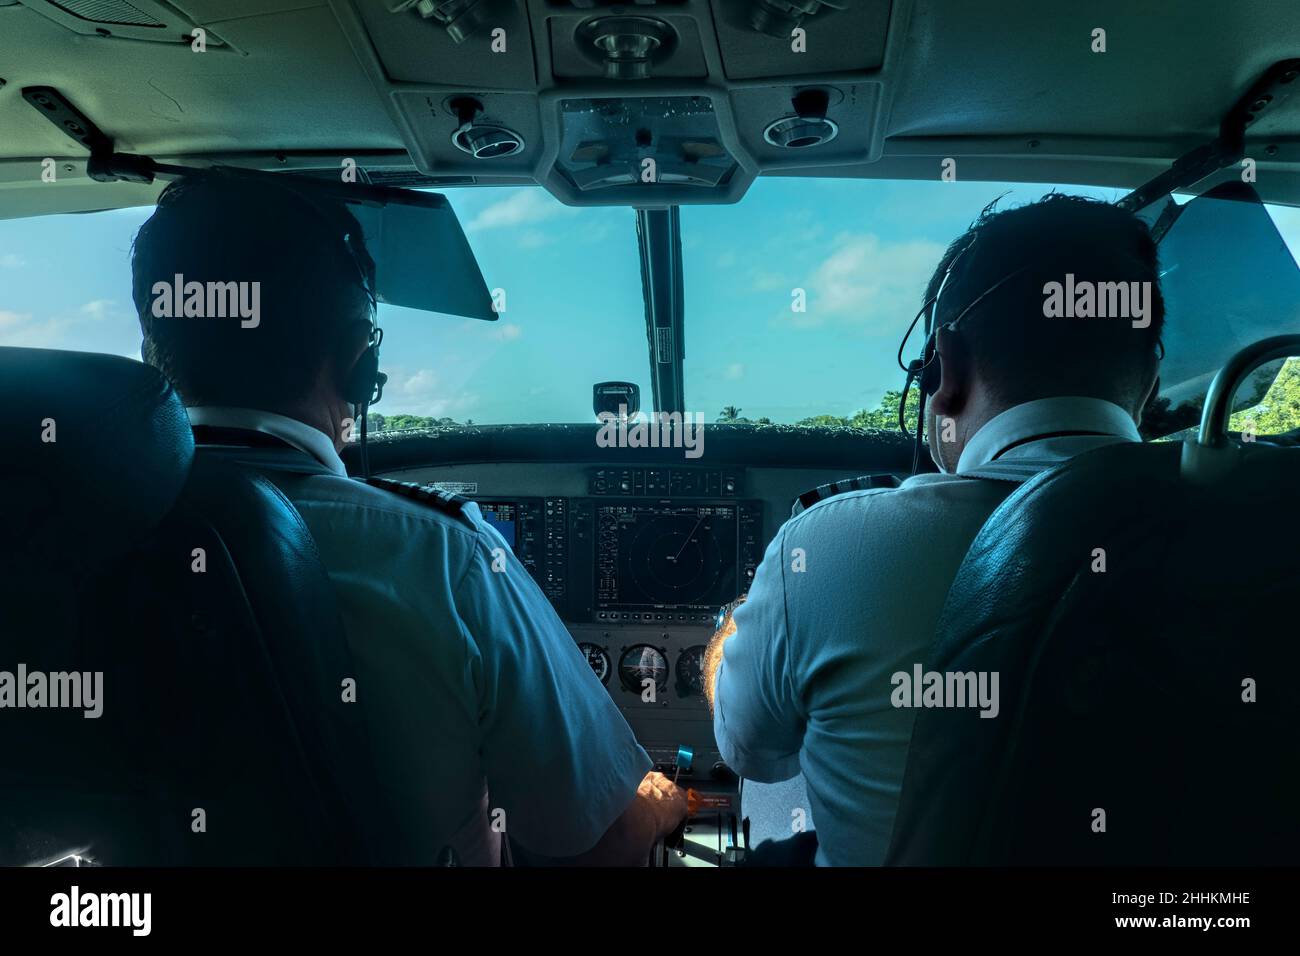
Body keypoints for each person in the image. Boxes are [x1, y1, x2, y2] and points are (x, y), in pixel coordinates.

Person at [131, 170, 686, 865]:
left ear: (156, 351)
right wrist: (660, 806)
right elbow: (599, 847)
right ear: (360, 362)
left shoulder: (61, 535)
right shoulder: (443, 555)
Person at [704, 194, 1166, 866]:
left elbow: (753, 753)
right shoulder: (1264, 533)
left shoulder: (827, 547)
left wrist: (734, 633)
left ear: (943, 369)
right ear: (1150, 378)